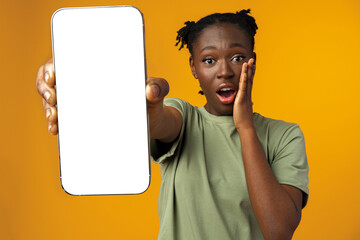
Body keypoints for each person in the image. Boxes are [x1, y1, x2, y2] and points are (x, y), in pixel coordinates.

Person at [36, 9, 309, 240]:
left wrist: (245, 127)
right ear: (194, 67)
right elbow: (157, 120)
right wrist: (77, 78)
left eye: (237, 58)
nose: (224, 71)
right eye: (209, 60)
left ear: (253, 60)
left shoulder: (284, 136)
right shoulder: (184, 118)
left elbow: (278, 230)